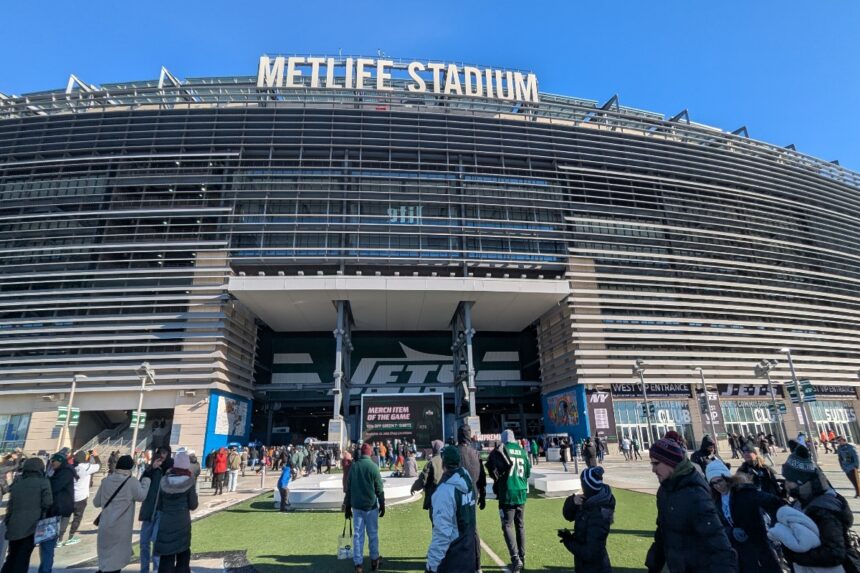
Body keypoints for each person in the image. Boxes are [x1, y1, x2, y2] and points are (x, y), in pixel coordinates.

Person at [645, 438, 738, 573]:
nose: (653, 469)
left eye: (656, 464)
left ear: (670, 463)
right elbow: (662, 532)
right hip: (675, 564)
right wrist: (654, 563)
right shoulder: (665, 490)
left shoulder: (694, 494)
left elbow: (718, 542)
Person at [780, 444, 853, 570]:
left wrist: (796, 556)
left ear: (803, 482)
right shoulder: (800, 503)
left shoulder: (823, 509)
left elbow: (834, 552)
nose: (786, 484)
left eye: (790, 480)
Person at [705, 459, 784, 573]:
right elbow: (718, 526)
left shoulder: (743, 492)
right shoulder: (716, 501)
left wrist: (774, 527)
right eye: (713, 483)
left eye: (719, 480)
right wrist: (731, 532)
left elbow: (774, 502)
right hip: (739, 555)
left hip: (759, 549)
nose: (717, 485)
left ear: (727, 478)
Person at [424, 446, 478, 573]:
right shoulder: (466, 478)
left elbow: (442, 534)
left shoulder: (445, 491)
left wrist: (432, 565)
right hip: (468, 554)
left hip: (453, 558)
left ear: (443, 463)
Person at [93, 455, 150, 573]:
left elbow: (96, 502)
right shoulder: (131, 482)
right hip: (121, 528)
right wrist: (146, 481)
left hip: (105, 526)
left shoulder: (106, 481)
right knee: (115, 563)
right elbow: (142, 496)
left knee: (106, 562)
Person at [1, 457, 52, 573]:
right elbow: (48, 502)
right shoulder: (43, 482)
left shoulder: (17, 483)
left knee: (12, 556)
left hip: (14, 525)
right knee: (23, 558)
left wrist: (8, 521)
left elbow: (10, 504)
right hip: (31, 526)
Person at [560, 466, 615, 573]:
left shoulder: (599, 513)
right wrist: (572, 501)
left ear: (586, 487)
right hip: (585, 566)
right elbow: (568, 515)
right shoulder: (589, 500)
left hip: (595, 568)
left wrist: (569, 541)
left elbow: (590, 553)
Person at [154, 451, 199, 573]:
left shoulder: (164, 480)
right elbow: (193, 505)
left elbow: (159, 505)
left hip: (166, 522)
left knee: (166, 557)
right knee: (183, 554)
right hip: (182, 522)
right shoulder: (189, 481)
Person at [344, 443, 385, 573]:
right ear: (370, 453)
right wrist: (382, 504)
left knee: (357, 536)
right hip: (371, 507)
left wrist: (347, 506)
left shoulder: (354, 467)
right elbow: (379, 488)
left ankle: (358, 564)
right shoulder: (373, 467)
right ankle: (374, 560)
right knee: (373, 534)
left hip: (356, 507)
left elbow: (348, 489)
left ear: (361, 453)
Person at [495, 430, 530, 573]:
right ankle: (522, 556)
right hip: (521, 492)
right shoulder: (522, 451)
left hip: (508, 493)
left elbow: (496, 472)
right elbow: (527, 473)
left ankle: (516, 558)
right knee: (520, 525)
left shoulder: (502, 450)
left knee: (507, 525)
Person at [39, 452, 76, 573]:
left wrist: (46, 479)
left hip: (56, 511)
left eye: (54, 461)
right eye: (51, 462)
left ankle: (45, 570)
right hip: (55, 510)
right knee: (46, 545)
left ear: (60, 461)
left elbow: (54, 486)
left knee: (48, 545)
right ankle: (44, 569)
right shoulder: (60, 471)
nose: (52, 463)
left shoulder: (65, 472)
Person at [139, 450, 168, 573]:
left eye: (162, 459)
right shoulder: (149, 471)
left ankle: (156, 569)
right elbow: (140, 484)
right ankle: (144, 569)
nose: (160, 461)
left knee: (156, 542)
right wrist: (150, 469)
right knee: (144, 543)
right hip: (148, 510)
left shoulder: (167, 472)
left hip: (160, 511)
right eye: (158, 459)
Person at [63, 450, 100, 546]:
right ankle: (71, 536)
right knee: (77, 517)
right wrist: (96, 456)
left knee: (65, 517)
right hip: (81, 497)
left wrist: (70, 456)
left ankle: (59, 538)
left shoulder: (69, 467)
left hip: (69, 496)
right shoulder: (86, 467)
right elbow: (99, 465)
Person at [411, 439, 444, 522]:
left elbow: (423, 479)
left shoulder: (431, 462)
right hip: (446, 498)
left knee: (436, 525)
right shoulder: (445, 461)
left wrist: (414, 487)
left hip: (434, 497)